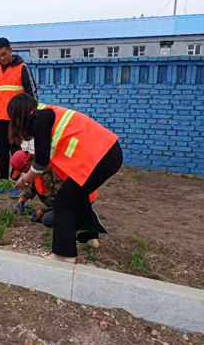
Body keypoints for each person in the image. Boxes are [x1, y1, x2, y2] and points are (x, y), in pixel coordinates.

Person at [7, 94, 123, 263]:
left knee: (64, 201)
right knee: (77, 197)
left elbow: (40, 163)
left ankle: (63, 255)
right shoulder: (46, 114)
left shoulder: (39, 121)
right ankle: (89, 236)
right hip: (108, 153)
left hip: (100, 157)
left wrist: (25, 180)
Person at [0, 37, 37, 197]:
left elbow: (32, 95)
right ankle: (3, 183)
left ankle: (15, 185)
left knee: (17, 154)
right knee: (2, 154)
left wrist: (29, 116)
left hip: (16, 121)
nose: (1, 58)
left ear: (10, 50)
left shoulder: (23, 68)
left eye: (4, 54)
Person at [10, 151, 105, 248]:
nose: (23, 173)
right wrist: (21, 201)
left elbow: (55, 197)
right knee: (48, 217)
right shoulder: (37, 168)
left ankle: (88, 227)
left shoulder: (48, 168)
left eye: (23, 170)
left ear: (27, 165)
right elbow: (33, 185)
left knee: (47, 219)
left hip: (79, 198)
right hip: (66, 197)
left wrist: (41, 211)